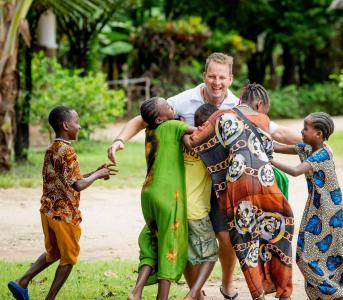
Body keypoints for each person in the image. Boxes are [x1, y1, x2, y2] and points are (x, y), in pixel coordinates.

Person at [107, 52, 300, 299]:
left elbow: (276, 132)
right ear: (204, 76)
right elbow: (142, 119)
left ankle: (227, 285)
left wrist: (314, 144)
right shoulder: (184, 100)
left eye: (222, 77)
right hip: (189, 180)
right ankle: (194, 292)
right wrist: (119, 141)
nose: (216, 82)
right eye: (212, 76)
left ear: (230, 78)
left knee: (226, 238)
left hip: (224, 182)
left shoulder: (235, 105)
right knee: (185, 236)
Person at [187, 83, 295, 300]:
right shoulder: (262, 120)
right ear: (258, 103)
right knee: (277, 233)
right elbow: (267, 151)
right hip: (266, 184)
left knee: (244, 240)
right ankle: (284, 292)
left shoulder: (220, 116)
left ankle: (258, 294)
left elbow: (194, 142)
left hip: (237, 187)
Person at [7, 106, 115, 300]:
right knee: (69, 258)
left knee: (54, 252)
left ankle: (21, 282)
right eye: (76, 122)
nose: (79, 127)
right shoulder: (68, 151)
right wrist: (98, 174)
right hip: (64, 214)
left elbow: (68, 179)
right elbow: (78, 185)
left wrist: (95, 174)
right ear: (66, 125)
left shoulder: (52, 149)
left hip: (48, 212)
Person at [271, 112, 343, 300]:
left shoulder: (322, 154)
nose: (301, 132)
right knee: (337, 251)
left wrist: (268, 161)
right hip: (317, 206)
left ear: (318, 134)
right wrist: (256, 142)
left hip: (327, 211)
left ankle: (336, 293)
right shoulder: (307, 148)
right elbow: (277, 147)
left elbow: (295, 171)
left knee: (305, 258)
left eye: (305, 129)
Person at [127, 97, 196, 300]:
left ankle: (137, 291)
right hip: (167, 195)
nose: (172, 107)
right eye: (168, 107)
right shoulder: (174, 126)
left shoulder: (150, 132)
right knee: (170, 244)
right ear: (159, 118)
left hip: (148, 193)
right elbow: (200, 132)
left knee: (152, 240)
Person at [183, 103, 219, 300]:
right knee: (210, 254)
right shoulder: (211, 148)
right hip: (196, 210)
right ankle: (193, 293)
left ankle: (196, 295)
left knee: (188, 254)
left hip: (178, 207)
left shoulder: (183, 141)